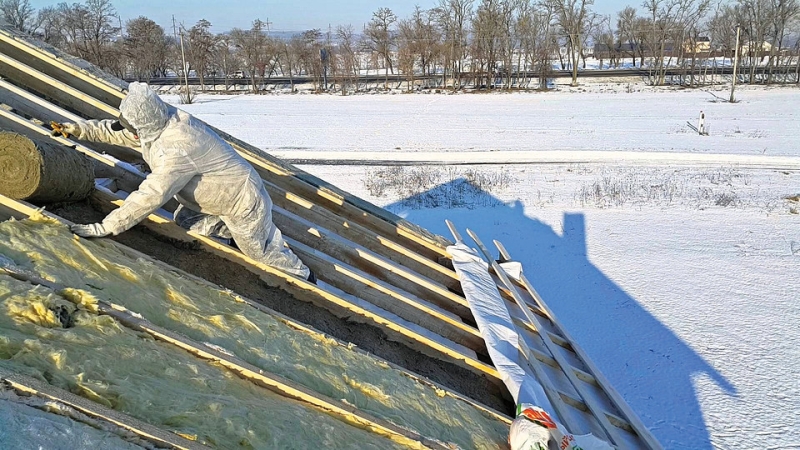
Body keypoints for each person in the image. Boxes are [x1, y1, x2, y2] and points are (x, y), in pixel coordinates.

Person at [52, 82, 313, 283]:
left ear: (144, 125)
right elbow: (120, 132)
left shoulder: (179, 146)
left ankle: (303, 276)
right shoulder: (156, 120)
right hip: (215, 197)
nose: (132, 134)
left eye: (134, 130)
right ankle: (233, 234)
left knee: (259, 252)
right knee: (186, 220)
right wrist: (77, 129)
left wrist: (107, 226)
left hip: (241, 200)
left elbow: (151, 194)